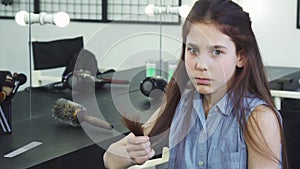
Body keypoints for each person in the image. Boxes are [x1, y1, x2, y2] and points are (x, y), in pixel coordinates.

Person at [103, 0, 288, 168]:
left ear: (241, 56)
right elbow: (110, 160)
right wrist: (129, 152)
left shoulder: (258, 119)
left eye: (216, 52)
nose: (200, 65)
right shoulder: (178, 102)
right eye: (192, 50)